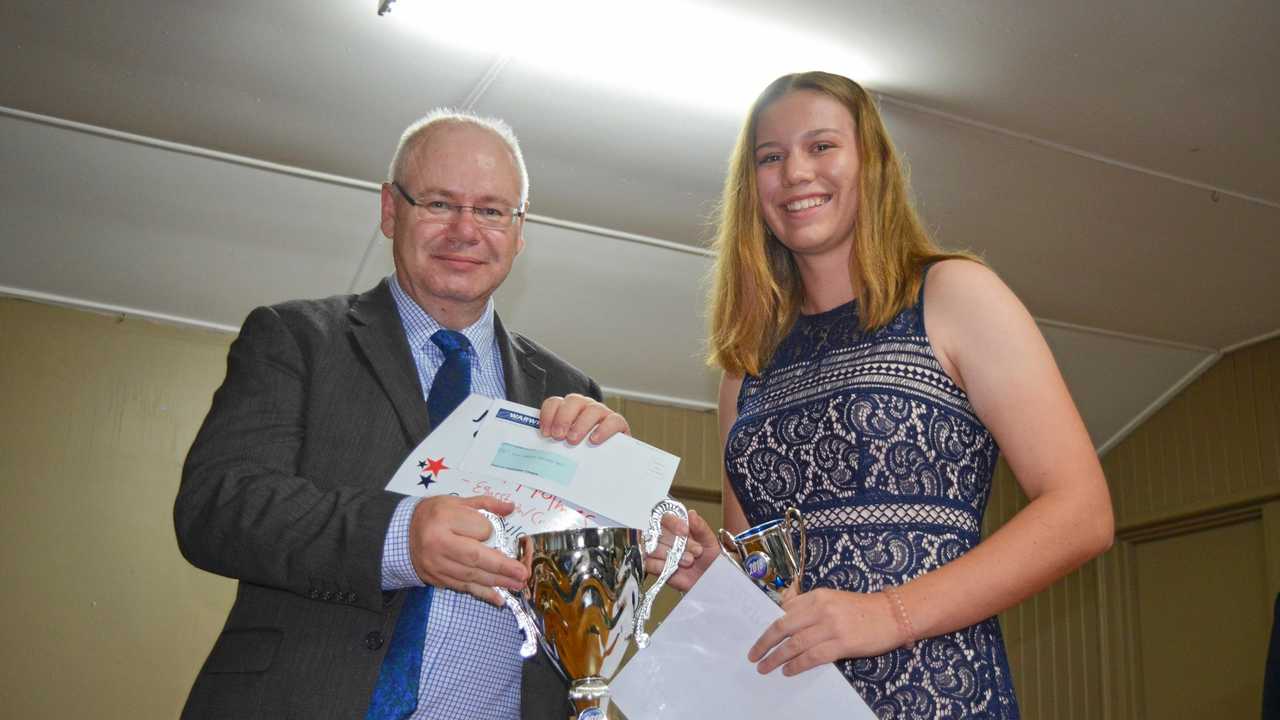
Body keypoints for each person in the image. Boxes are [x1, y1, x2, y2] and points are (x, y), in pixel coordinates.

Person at [173, 109, 703, 719]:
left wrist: (633, 533)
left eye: (491, 210)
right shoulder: (296, 339)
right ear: (390, 211)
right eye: (439, 204)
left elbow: (582, 604)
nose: (465, 230)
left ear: (519, 230)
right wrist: (400, 537)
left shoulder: (569, 390)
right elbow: (216, 506)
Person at [697, 71, 1115, 718]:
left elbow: (1082, 512)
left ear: (873, 163)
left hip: (939, 696)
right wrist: (705, 570)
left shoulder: (953, 295)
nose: (795, 172)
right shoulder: (744, 369)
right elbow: (761, 582)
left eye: (822, 146)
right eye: (770, 158)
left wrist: (885, 616)